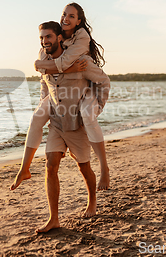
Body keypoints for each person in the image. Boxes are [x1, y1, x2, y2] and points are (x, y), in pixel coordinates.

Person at [11, 21, 111, 233]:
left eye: (48, 37)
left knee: (84, 168)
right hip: (56, 121)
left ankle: (92, 200)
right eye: (41, 38)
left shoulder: (81, 60)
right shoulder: (43, 61)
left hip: (77, 124)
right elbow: (44, 86)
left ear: (59, 38)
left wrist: (96, 108)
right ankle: (53, 218)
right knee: (50, 166)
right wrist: (44, 110)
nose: (44, 41)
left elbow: (103, 81)